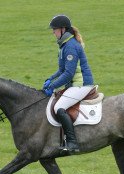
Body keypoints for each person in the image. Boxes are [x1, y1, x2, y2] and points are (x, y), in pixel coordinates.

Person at [43, 14, 94, 152]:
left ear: (62, 29)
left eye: (54, 29)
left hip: (82, 84)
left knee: (59, 108)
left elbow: (68, 74)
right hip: (74, 84)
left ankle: (72, 143)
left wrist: (52, 86)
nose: (53, 32)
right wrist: (50, 79)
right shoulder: (64, 45)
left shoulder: (70, 46)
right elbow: (61, 70)